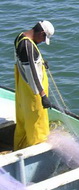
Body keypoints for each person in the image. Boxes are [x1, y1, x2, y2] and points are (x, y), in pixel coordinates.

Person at [13, 20, 54, 150]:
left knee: (24, 122)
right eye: (44, 38)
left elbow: (29, 62)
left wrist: (41, 62)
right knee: (37, 125)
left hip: (23, 90)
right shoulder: (28, 47)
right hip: (33, 93)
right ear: (41, 33)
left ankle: (20, 146)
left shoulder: (20, 37)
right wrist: (43, 95)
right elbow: (32, 74)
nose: (42, 41)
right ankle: (36, 150)